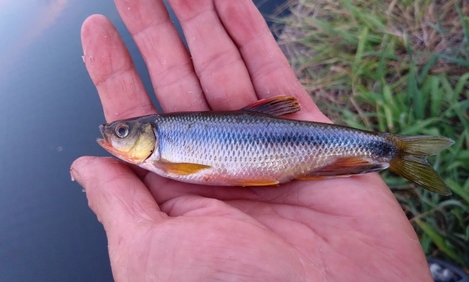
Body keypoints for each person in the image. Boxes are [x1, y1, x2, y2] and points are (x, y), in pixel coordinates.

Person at [70, 0, 433, 280]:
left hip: (281, 148)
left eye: (122, 132)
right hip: (276, 152)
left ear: (146, 135)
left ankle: (393, 150)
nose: (113, 134)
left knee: (362, 151)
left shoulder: (165, 162)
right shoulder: (160, 156)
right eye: (121, 131)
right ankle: (392, 152)